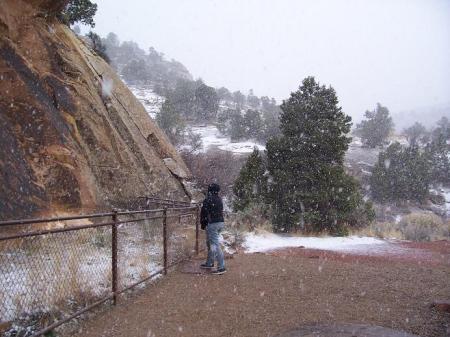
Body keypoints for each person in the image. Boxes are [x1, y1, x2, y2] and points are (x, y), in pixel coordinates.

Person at [200, 183, 226, 275]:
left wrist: (203, 224)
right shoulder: (219, 199)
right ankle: (209, 263)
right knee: (211, 243)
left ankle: (221, 267)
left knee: (214, 245)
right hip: (220, 223)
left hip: (212, 224)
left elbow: (204, 213)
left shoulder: (208, 199)